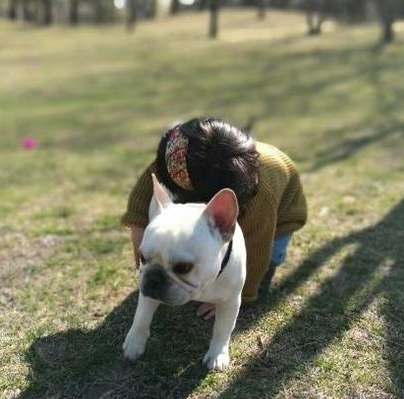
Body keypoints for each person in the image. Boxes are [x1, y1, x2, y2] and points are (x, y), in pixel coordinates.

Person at [121, 117, 307, 318]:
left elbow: (256, 247)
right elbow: (153, 177)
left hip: (281, 217)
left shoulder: (261, 196)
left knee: (270, 253)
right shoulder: (181, 157)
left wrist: (238, 294)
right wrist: (140, 232)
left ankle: (274, 258)